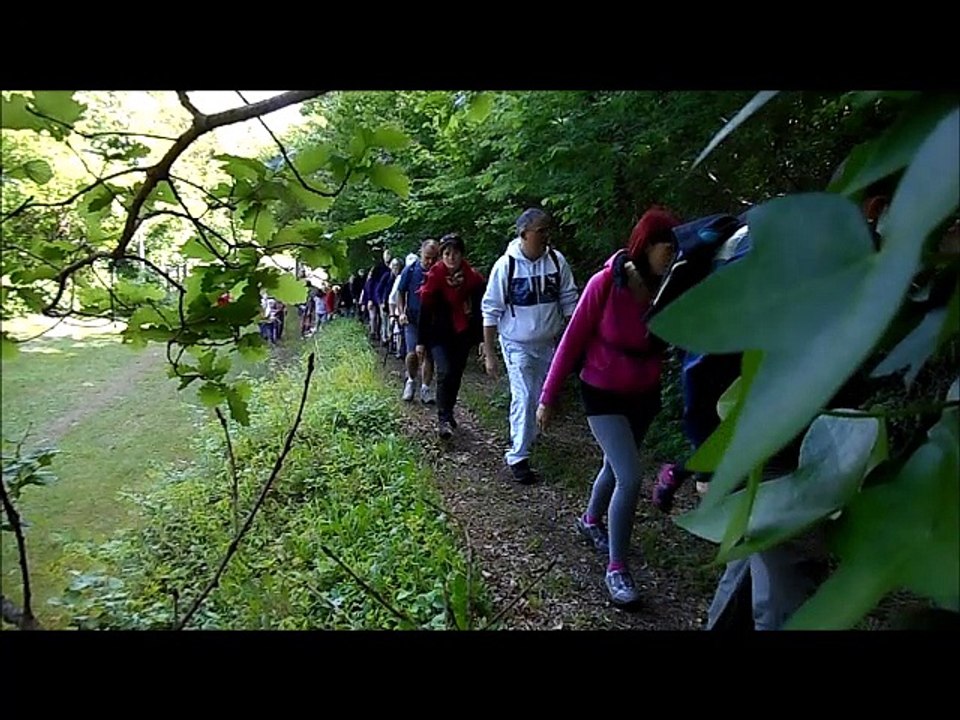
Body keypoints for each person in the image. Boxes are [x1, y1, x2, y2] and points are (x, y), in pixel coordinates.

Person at [537, 208, 680, 607]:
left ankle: (590, 521)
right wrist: (548, 396)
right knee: (630, 476)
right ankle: (617, 569)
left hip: (644, 396)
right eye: (666, 247)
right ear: (647, 246)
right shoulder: (605, 283)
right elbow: (571, 340)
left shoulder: (669, 288)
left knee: (613, 466)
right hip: (601, 393)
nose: (671, 254)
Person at [481, 208, 579, 484]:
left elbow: (570, 302)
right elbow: (490, 311)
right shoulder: (505, 266)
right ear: (524, 234)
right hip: (516, 344)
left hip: (549, 343)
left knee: (539, 396)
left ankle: (528, 437)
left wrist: (573, 341)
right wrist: (490, 353)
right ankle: (518, 456)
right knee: (523, 396)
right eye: (541, 231)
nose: (547, 236)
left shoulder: (557, 263)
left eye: (548, 230)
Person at [417, 233, 486, 439]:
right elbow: (425, 310)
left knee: (455, 375)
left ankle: (449, 410)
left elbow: (481, 310)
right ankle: (443, 419)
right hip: (438, 333)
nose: (451, 258)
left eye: (455, 253)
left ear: (461, 255)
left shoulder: (473, 279)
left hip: (462, 333)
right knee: (444, 372)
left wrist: (481, 338)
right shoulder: (434, 277)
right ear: (441, 256)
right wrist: (420, 341)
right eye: (446, 253)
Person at [397, 239, 440, 404]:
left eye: (433, 258)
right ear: (421, 253)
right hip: (412, 319)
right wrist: (401, 312)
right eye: (427, 257)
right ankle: (410, 380)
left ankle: (426, 388)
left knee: (429, 355)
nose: (430, 262)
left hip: (432, 320)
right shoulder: (411, 270)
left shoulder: (438, 272)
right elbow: (400, 292)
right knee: (412, 353)